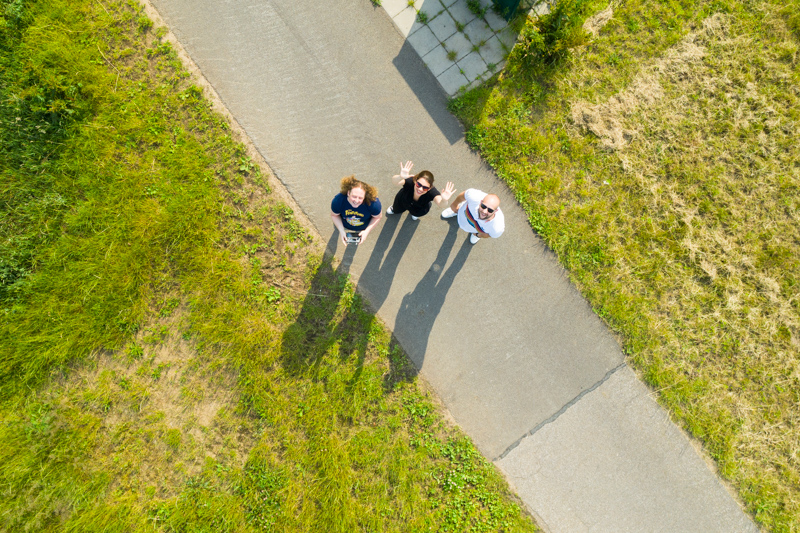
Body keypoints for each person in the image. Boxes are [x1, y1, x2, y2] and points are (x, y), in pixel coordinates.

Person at [385, 161, 456, 220]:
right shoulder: (410, 181)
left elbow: (441, 204)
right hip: (402, 201)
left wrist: (444, 200)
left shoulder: (432, 192)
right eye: (419, 184)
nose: (420, 189)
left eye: (425, 188)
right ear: (415, 181)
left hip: (419, 208)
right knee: (397, 208)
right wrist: (400, 177)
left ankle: (415, 214)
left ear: (430, 188)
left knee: (416, 213)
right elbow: (395, 182)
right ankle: (394, 209)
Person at [331, 175, 382, 245]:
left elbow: (377, 217)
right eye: (354, 196)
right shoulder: (338, 201)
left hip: (363, 227)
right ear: (348, 193)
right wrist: (341, 230)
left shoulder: (373, 203)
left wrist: (367, 231)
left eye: (360, 198)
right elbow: (334, 215)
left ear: (364, 197)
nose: (356, 201)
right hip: (344, 224)